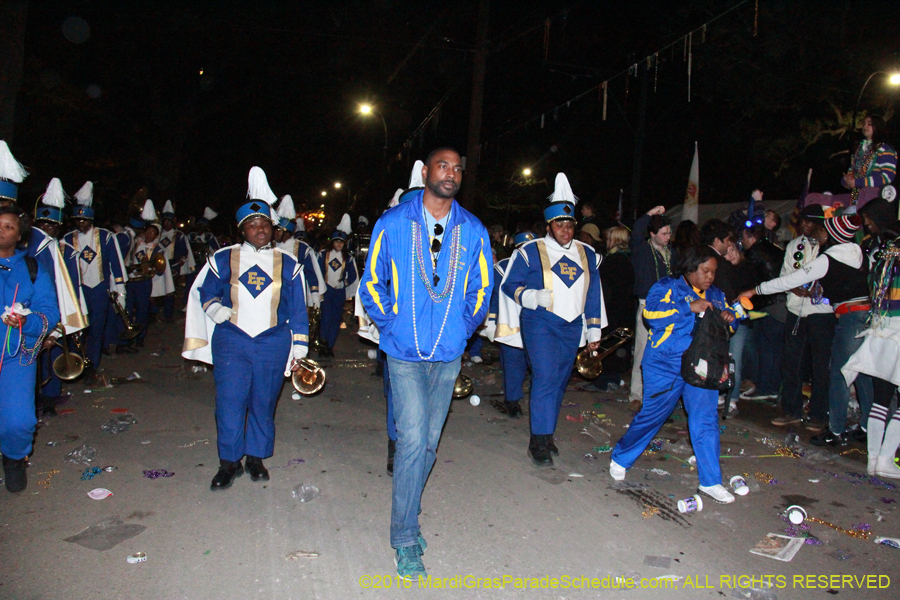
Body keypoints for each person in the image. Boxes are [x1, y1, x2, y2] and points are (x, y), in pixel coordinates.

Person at [358, 148, 492, 580]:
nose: (450, 174)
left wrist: (461, 327)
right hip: (402, 353)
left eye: (457, 169)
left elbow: (482, 288)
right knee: (413, 441)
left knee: (430, 444)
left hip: (448, 353)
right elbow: (371, 282)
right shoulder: (394, 222)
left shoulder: (472, 230)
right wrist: (392, 325)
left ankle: (409, 510)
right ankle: (404, 537)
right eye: (442, 166)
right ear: (424, 172)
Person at [183, 166, 309, 491]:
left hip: (273, 342)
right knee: (229, 401)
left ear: (273, 227)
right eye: (252, 224)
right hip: (232, 341)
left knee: (264, 403)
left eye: (264, 223)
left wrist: (299, 349)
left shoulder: (290, 264)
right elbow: (204, 291)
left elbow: (297, 310)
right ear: (242, 229)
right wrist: (216, 310)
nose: (259, 229)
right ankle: (229, 463)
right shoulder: (224, 257)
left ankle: (256, 457)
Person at [610, 245, 737, 504]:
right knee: (653, 416)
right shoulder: (666, 286)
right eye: (705, 271)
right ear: (690, 269)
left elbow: (731, 324)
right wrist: (688, 306)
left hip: (702, 365)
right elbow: (651, 315)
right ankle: (621, 457)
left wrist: (729, 317)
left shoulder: (716, 293)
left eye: (713, 271)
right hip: (665, 363)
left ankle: (711, 481)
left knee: (705, 419)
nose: (710, 277)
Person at [498, 173, 606, 467]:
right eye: (560, 224)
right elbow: (509, 284)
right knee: (545, 377)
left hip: (572, 326)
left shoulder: (587, 254)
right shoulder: (530, 251)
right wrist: (530, 297)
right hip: (540, 323)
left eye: (570, 224)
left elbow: (593, 293)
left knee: (559, 382)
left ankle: (546, 436)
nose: (566, 229)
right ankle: (538, 441)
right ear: (549, 225)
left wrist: (594, 327)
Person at [741, 215, 871, 446]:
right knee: (861, 375)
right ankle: (864, 427)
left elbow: (791, 280)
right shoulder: (859, 252)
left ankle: (835, 429)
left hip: (846, 317)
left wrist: (755, 290)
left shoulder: (829, 258)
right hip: (861, 315)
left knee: (838, 373)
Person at [0, 205, 60, 492]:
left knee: (19, 421)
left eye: (8, 226)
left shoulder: (33, 268)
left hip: (18, 355)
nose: (1, 230)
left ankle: (13, 457)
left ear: (19, 234)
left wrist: (27, 322)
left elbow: (49, 311)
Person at [764, 204, 834, 431]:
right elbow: (785, 275)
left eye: (807, 222)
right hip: (795, 311)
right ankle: (792, 410)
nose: (803, 226)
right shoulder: (795, 245)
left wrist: (818, 291)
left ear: (819, 224)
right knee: (791, 363)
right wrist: (793, 289)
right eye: (801, 222)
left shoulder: (831, 248)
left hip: (821, 314)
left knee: (820, 366)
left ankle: (818, 414)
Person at [842, 221, 900, 478]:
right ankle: (885, 460)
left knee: (880, 400)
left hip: (881, 334)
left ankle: (874, 459)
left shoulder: (881, 264)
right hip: (897, 336)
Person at [61, 182, 128, 376]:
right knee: (76, 328)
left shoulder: (106, 237)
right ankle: (75, 363)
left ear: (91, 220)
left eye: (84, 220)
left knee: (97, 328)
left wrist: (120, 291)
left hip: (98, 289)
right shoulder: (66, 239)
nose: (81, 224)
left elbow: (116, 264)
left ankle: (93, 364)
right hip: (76, 290)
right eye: (77, 220)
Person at [485, 231, 535, 417]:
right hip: (511, 323)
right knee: (513, 363)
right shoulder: (503, 267)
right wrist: (491, 322)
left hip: (537, 325)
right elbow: (494, 297)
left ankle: (538, 399)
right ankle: (512, 400)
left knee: (539, 365)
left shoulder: (542, 266)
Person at [628, 206, 675, 403]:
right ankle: (636, 395)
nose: (668, 237)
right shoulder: (642, 250)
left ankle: (658, 396)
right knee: (642, 350)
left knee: (664, 353)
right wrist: (650, 213)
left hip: (669, 308)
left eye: (670, 233)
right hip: (648, 305)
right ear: (652, 233)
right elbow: (636, 232)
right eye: (664, 233)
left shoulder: (671, 254)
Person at [739, 223, 786, 403]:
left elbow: (747, 278)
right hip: (782, 303)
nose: (741, 242)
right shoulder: (775, 248)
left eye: (743, 238)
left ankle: (765, 387)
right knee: (776, 349)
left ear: (751, 237)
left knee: (765, 348)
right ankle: (773, 388)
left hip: (771, 305)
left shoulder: (754, 253)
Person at [123, 201, 174, 350]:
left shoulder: (158, 248)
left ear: (157, 235)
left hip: (144, 282)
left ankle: (140, 338)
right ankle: (127, 339)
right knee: (127, 310)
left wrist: (149, 263)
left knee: (142, 312)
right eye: (148, 231)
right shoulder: (135, 242)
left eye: (153, 233)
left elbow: (160, 270)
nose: (149, 234)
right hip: (131, 281)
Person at [594, 225, 635, 391]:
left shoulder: (612, 261)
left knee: (608, 345)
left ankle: (606, 379)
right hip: (625, 310)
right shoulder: (628, 259)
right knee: (618, 345)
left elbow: (606, 289)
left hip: (612, 310)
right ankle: (614, 378)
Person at [318, 215, 358, 357]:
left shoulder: (348, 257)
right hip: (326, 291)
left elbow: (353, 274)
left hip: (339, 292)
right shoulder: (323, 254)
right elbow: (319, 271)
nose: (339, 245)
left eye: (342, 242)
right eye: (337, 242)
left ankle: (330, 346)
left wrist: (345, 282)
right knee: (325, 318)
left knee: (335, 319)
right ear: (332, 242)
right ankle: (322, 345)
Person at [842, 115, 897, 208]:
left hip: (873, 201)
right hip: (855, 199)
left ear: (878, 126)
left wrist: (858, 182)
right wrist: (846, 181)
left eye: (869, 124)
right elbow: (851, 172)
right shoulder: (859, 150)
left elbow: (887, 177)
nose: (865, 126)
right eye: (864, 124)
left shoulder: (886, 150)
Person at [159, 200, 195, 322]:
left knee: (169, 291)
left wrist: (176, 264)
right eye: (165, 221)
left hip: (172, 266)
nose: (166, 223)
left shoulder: (179, 235)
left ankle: (168, 315)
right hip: (158, 267)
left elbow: (184, 253)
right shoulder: (157, 234)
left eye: (169, 221)